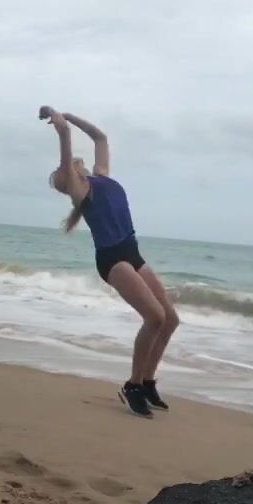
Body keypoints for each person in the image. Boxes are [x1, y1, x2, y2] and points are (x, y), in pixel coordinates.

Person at [40, 106, 179, 418]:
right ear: (69, 178)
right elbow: (65, 140)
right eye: (64, 171)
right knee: (154, 317)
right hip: (113, 259)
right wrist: (61, 125)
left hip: (132, 252)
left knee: (170, 319)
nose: (68, 167)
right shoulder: (81, 191)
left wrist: (69, 115)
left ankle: (147, 382)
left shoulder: (101, 175)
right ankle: (132, 386)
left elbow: (100, 137)